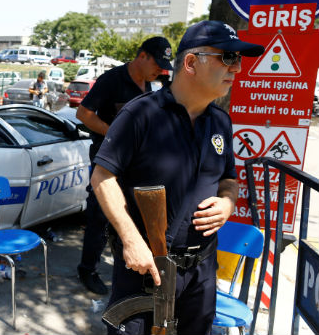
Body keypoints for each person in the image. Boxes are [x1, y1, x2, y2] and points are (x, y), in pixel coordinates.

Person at [92, 20, 264, 334]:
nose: (236, 68)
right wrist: (131, 241)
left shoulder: (220, 122)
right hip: (144, 269)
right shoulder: (140, 114)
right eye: (227, 58)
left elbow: (228, 179)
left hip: (201, 272)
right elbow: (102, 177)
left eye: (239, 60)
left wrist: (227, 203)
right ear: (190, 63)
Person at [76, 36, 173, 295]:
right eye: (157, 63)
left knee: (134, 216)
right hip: (107, 164)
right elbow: (83, 114)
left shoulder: (152, 84)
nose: (160, 70)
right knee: (100, 216)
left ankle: (130, 266)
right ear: (142, 56)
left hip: (137, 165)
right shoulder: (112, 80)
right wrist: (113, 134)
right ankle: (88, 269)